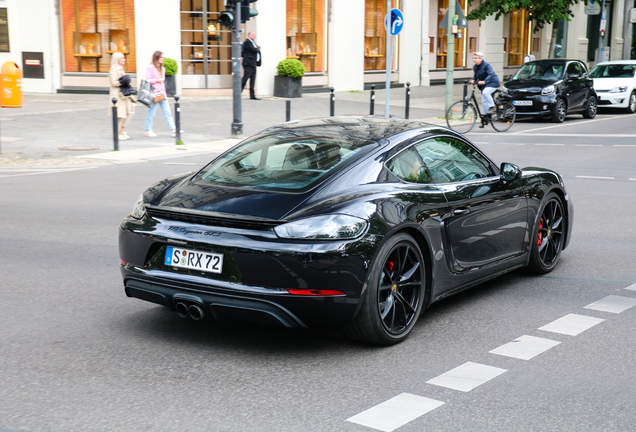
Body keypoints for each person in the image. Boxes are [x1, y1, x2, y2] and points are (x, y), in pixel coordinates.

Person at [144, 51, 179, 137]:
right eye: (161, 57)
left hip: (162, 93)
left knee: (168, 112)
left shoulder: (163, 69)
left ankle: (173, 129)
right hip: (154, 94)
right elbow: (147, 80)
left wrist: (164, 92)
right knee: (151, 112)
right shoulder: (150, 68)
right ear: (157, 58)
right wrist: (156, 80)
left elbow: (162, 81)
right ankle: (148, 130)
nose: (162, 59)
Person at [108, 52, 136, 140]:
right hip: (117, 94)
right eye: (122, 58)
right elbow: (114, 82)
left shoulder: (120, 68)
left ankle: (122, 129)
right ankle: (118, 133)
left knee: (131, 110)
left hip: (124, 93)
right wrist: (123, 81)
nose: (124, 60)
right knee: (120, 114)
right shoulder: (114, 69)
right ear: (117, 59)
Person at [469, 52, 500, 127]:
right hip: (484, 85)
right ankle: (485, 118)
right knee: (484, 102)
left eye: (476, 58)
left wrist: (484, 81)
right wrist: (473, 80)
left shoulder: (486, 65)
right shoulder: (475, 67)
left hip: (492, 83)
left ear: (480, 59)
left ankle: (493, 107)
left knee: (485, 93)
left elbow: (490, 74)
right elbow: (476, 76)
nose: (474, 59)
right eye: (473, 58)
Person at [241, 31, 261, 100]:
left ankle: (252, 95)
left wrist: (257, 48)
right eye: (253, 35)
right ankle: (238, 92)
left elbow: (255, 49)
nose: (254, 37)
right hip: (248, 64)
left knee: (252, 80)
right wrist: (257, 48)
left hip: (253, 63)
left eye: (254, 35)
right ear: (249, 35)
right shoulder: (247, 42)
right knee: (245, 78)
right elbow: (254, 50)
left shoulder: (253, 42)